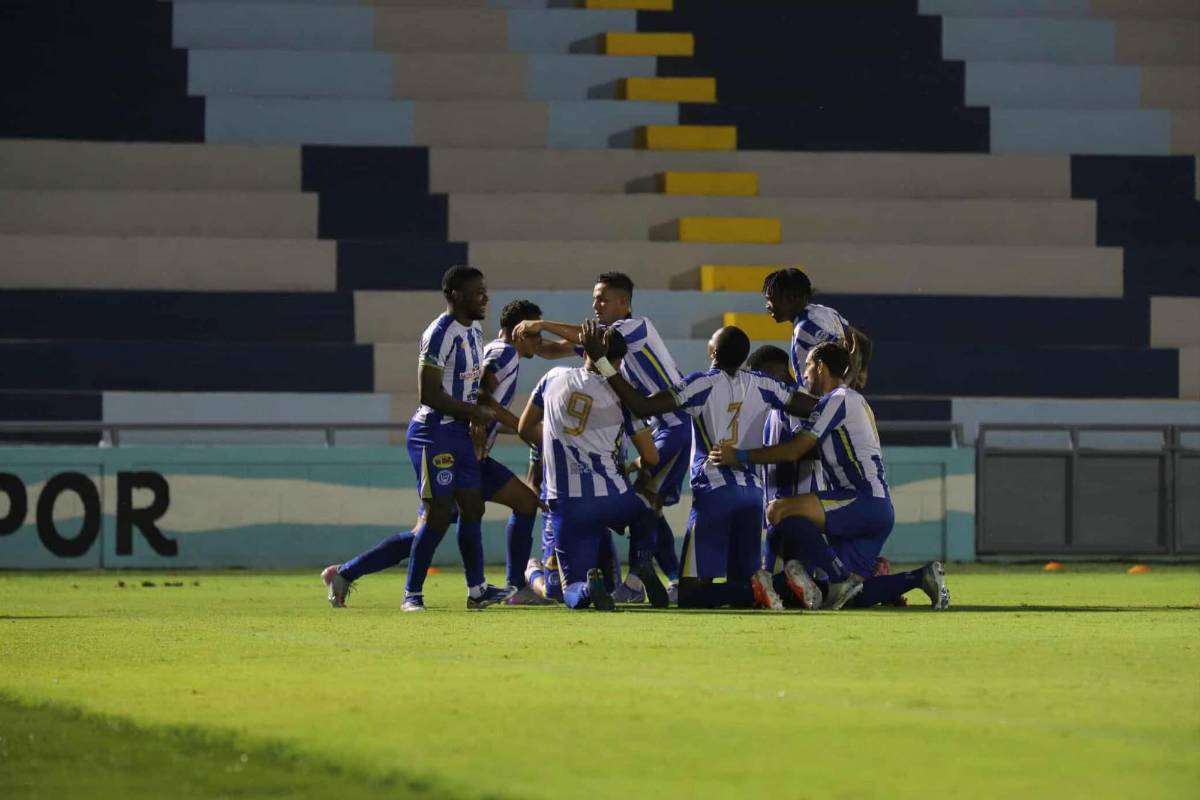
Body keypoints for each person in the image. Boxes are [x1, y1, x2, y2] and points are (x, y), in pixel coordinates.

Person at [582, 322, 815, 609]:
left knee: (690, 595)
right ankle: (776, 585)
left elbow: (642, 406)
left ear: (713, 352)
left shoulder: (701, 384)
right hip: (753, 494)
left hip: (715, 491)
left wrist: (603, 363)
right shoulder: (765, 384)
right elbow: (813, 407)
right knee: (742, 588)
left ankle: (763, 587)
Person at [319, 266, 507, 613]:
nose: (485, 297)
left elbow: (462, 379)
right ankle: (411, 595)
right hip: (433, 433)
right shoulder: (438, 333)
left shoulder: (475, 329)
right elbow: (428, 393)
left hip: (459, 432)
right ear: (455, 295)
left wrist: (479, 395)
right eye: (477, 292)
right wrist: (474, 412)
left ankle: (477, 590)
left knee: (473, 507)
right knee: (437, 517)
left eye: (485, 290)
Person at [711, 343, 950, 611]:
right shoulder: (854, 400)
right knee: (850, 595)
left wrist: (739, 456)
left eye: (808, 367)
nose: (804, 375)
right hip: (879, 506)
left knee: (778, 511)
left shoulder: (835, 400)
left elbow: (795, 450)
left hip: (860, 499)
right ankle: (921, 577)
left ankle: (836, 577)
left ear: (821, 366)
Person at [513, 272, 686, 602]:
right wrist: (530, 342)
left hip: (670, 425)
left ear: (624, 302)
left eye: (602, 299)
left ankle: (643, 582)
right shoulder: (616, 381)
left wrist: (541, 323)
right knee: (645, 506)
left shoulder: (636, 328)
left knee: (648, 501)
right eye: (594, 298)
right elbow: (559, 348)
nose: (596, 304)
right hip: (645, 434)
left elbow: (587, 341)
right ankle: (641, 575)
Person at [745, 345, 824, 577]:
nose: (755, 382)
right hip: (779, 508)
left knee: (794, 581)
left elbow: (808, 449)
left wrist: (752, 455)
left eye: (758, 375)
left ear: (773, 372)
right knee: (775, 581)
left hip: (796, 505)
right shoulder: (775, 404)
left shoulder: (798, 404)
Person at [761, 268, 872, 391]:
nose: (767, 305)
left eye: (771, 299)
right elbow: (864, 342)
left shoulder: (805, 328)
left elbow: (842, 358)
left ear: (792, 297)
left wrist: (852, 374)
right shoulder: (826, 312)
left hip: (823, 399)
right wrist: (861, 373)